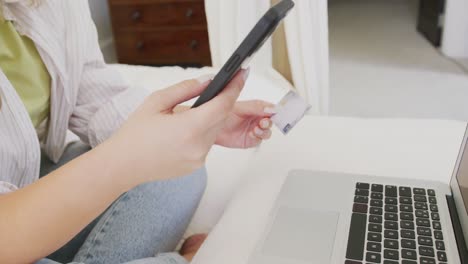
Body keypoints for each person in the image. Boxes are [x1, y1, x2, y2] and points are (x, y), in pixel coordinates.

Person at [0, 1, 275, 263]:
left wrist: (190, 122)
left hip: (29, 175)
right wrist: (125, 161)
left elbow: (91, 91)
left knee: (178, 170)